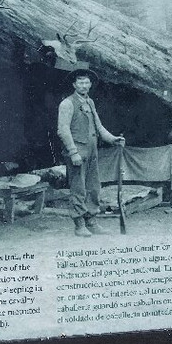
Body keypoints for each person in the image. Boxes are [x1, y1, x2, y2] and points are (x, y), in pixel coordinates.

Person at [56, 69, 125, 237]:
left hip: (92, 151)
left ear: (90, 85)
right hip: (78, 151)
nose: (84, 85)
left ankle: (91, 221)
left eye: (86, 82)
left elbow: (99, 126)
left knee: (93, 187)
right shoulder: (67, 103)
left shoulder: (90, 102)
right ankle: (79, 224)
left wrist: (112, 139)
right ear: (74, 85)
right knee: (78, 188)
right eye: (80, 82)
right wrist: (73, 152)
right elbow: (63, 130)